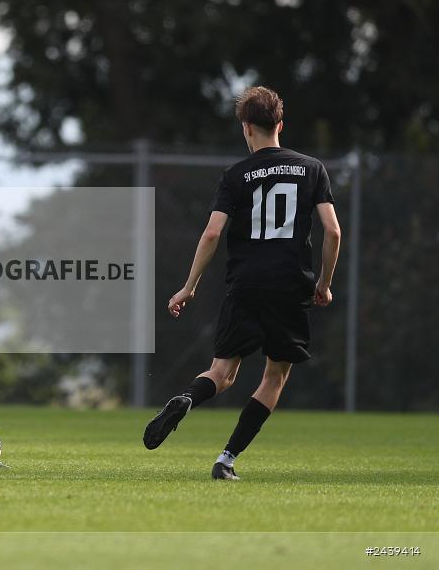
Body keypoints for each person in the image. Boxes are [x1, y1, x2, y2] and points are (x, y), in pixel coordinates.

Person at [142, 86, 342, 480]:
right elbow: (332, 231)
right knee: (274, 376)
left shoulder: (236, 175)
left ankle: (187, 398)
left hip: (245, 283)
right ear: (280, 124)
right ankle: (226, 459)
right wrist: (324, 282)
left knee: (221, 373)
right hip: (290, 285)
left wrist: (189, 286)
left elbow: (212, 233)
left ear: (246, 127)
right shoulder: (312, 168)